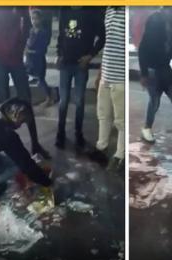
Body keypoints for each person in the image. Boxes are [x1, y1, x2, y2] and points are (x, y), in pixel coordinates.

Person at [0, 98, 52, 212]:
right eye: (22, 120)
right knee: (15, 166)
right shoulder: (6, 133)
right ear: (15, 113)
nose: (20, 126)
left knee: (7, 160)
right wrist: (47, 183)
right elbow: (27, 164)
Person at [139, 7, 172, 144]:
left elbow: (171, 47)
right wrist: (144, 73)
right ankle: (146, 128)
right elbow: (143, 47)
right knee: (155, 101)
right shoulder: (154, 20)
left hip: (165, 68)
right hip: (153, 69)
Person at [55, 7, 105, 149]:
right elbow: (61, 34)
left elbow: (102, 37)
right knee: (63, 101)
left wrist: (90, 56)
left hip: (80, 65)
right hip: (65, 64)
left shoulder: (92, 12)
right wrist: (59, 53)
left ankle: (78, 133)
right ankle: (60, 133)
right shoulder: (63, 10)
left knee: (79, 101)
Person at [88, 7, 125, 172]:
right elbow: (108, 45)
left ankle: (120, 155)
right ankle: (101, 147)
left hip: (120, 79)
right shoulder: (109, 10)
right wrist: (100, 74)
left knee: (121, 121)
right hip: (106, 76)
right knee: (103, 115)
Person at [25, 9, 56, 107]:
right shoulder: (31, 30)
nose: (34, 21)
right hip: (29, 59)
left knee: (41, 79)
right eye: (32, 19)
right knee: (24, 76)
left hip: (38, 60)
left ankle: (49, 98)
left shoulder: (43, 32)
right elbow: (28, 43)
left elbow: (42, 49)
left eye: (36, 19)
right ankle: (27, 98)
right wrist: (26, 48)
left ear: (41, 19)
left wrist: (29, 51)